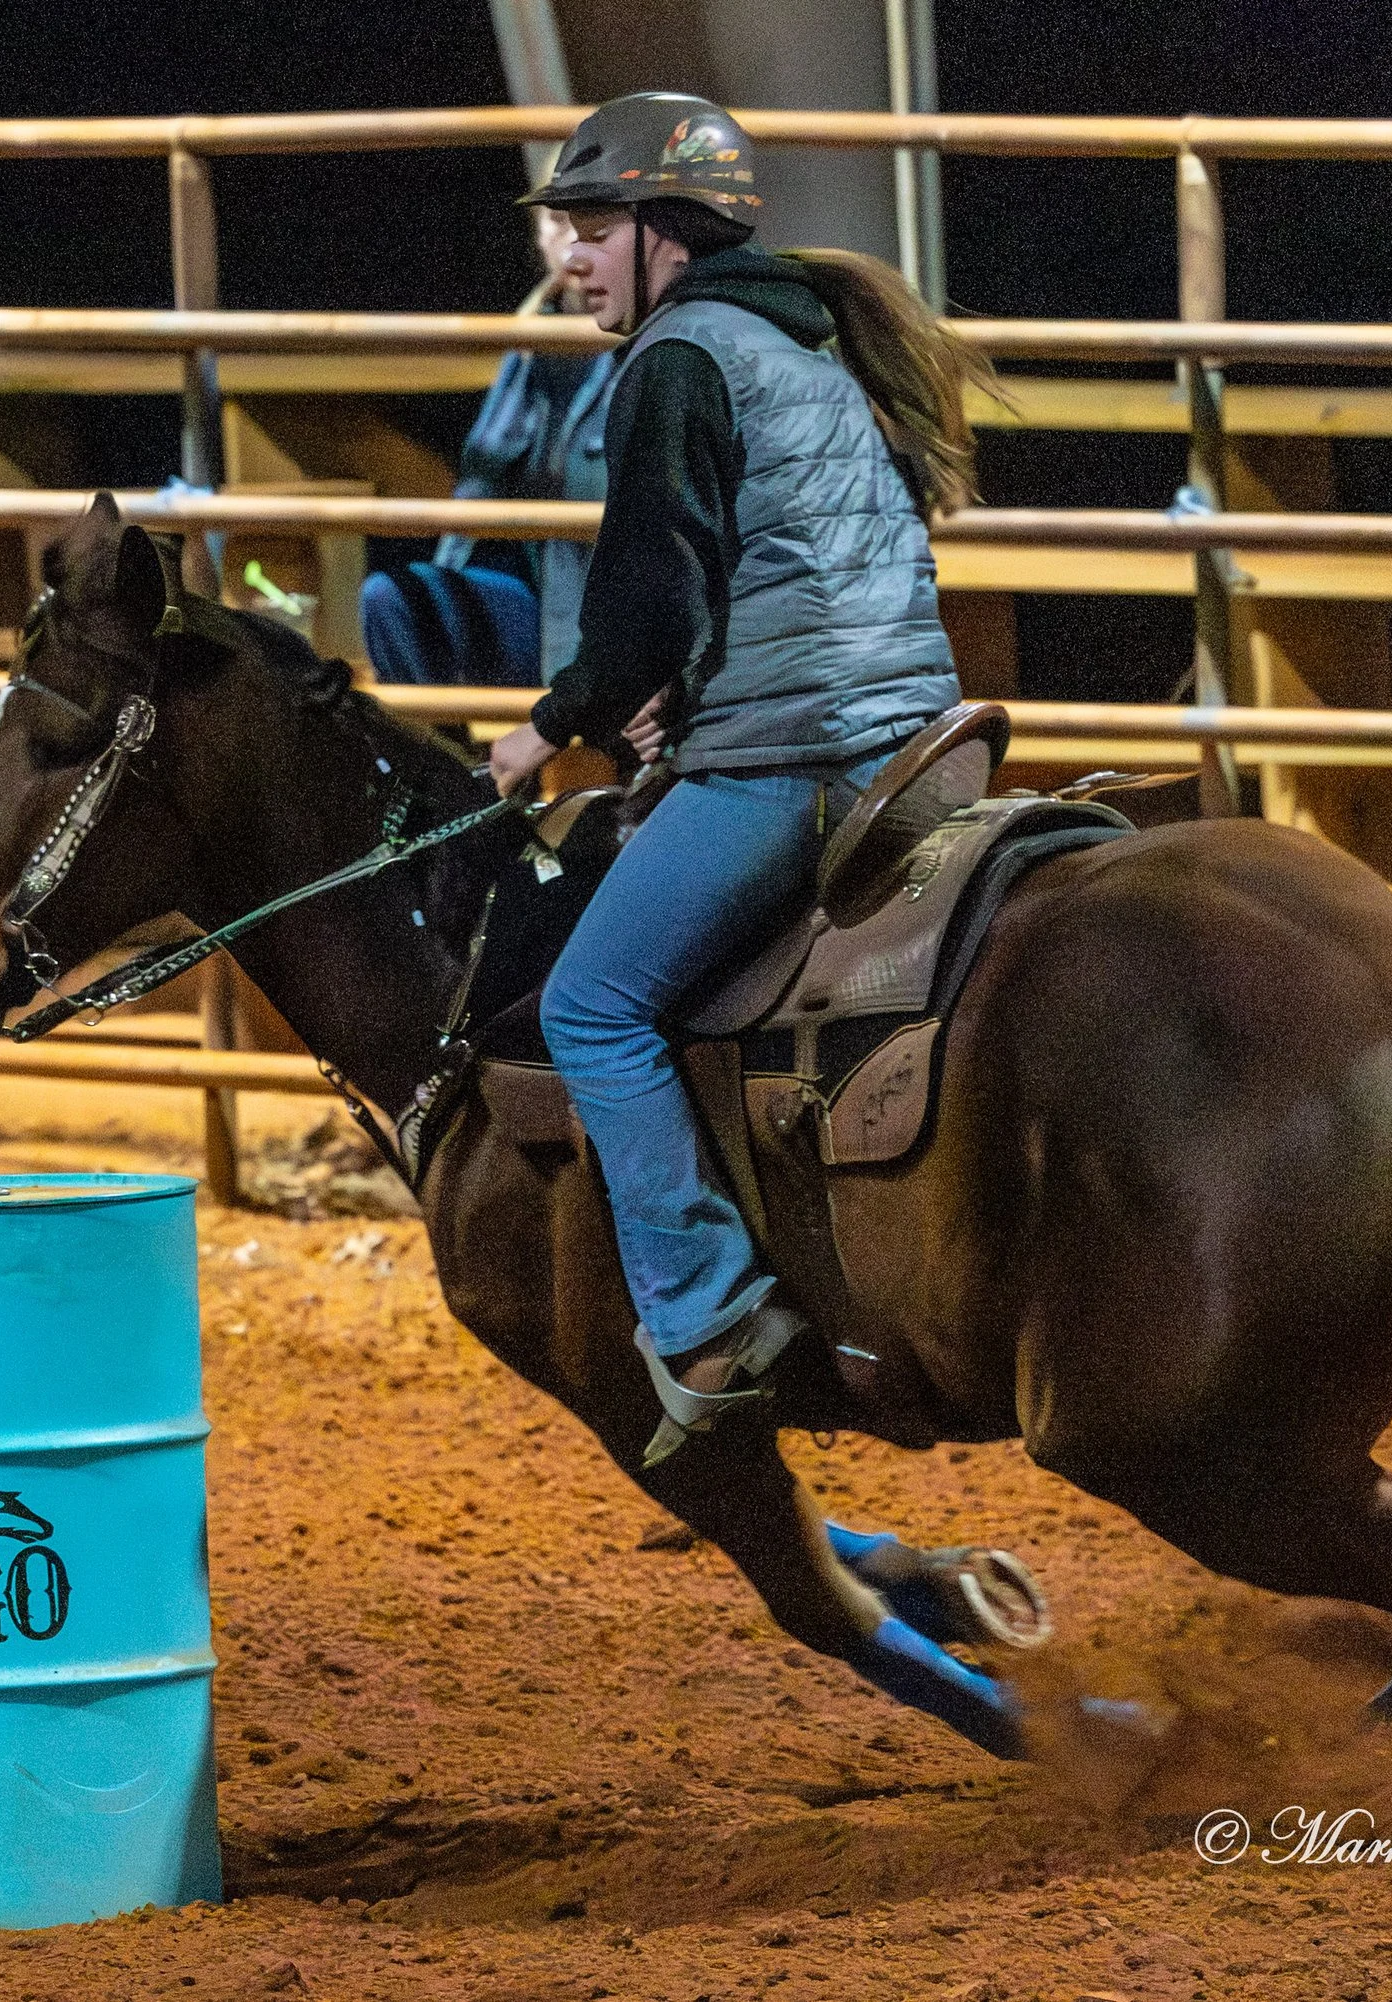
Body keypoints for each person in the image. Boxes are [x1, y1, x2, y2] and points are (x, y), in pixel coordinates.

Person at [486, 92, 994, 1467]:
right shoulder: (802, 347)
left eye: (593, 229)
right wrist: (686, 701)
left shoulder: (676, 358)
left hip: (799, 760)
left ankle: (710, 1314)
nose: (570, 259)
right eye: (566, 231)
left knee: (591, 1006)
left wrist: (553, 726)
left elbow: (647, 596)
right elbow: (786, 574)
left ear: (666, 230)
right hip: (917, 742)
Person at [359, 207, 616, 687]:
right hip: (534, 608)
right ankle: (438, 739)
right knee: (390, 600)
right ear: (537, 235)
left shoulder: (654, 342)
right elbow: (478, 489)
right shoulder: (527, 342)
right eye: (558, 219)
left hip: (605, 623)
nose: (574, 238)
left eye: (593, 219)